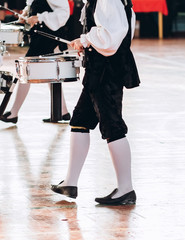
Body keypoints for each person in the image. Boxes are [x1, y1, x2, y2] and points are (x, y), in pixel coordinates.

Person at [51, 0, 140, 205]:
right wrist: (87, 42)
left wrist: (85, 40)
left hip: (106, 73)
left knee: (113, 126)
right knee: (80, 121)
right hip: (98, 72)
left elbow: (113, 36)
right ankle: (70, 182)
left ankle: (126, 189)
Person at [0, 0, 71, 124]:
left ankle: (14, 112)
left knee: (25, 70)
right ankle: (63, 111)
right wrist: (27, 14)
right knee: (51, 72)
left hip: (47, 35)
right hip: (40, 34)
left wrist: (39, 17)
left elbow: (64, 13)